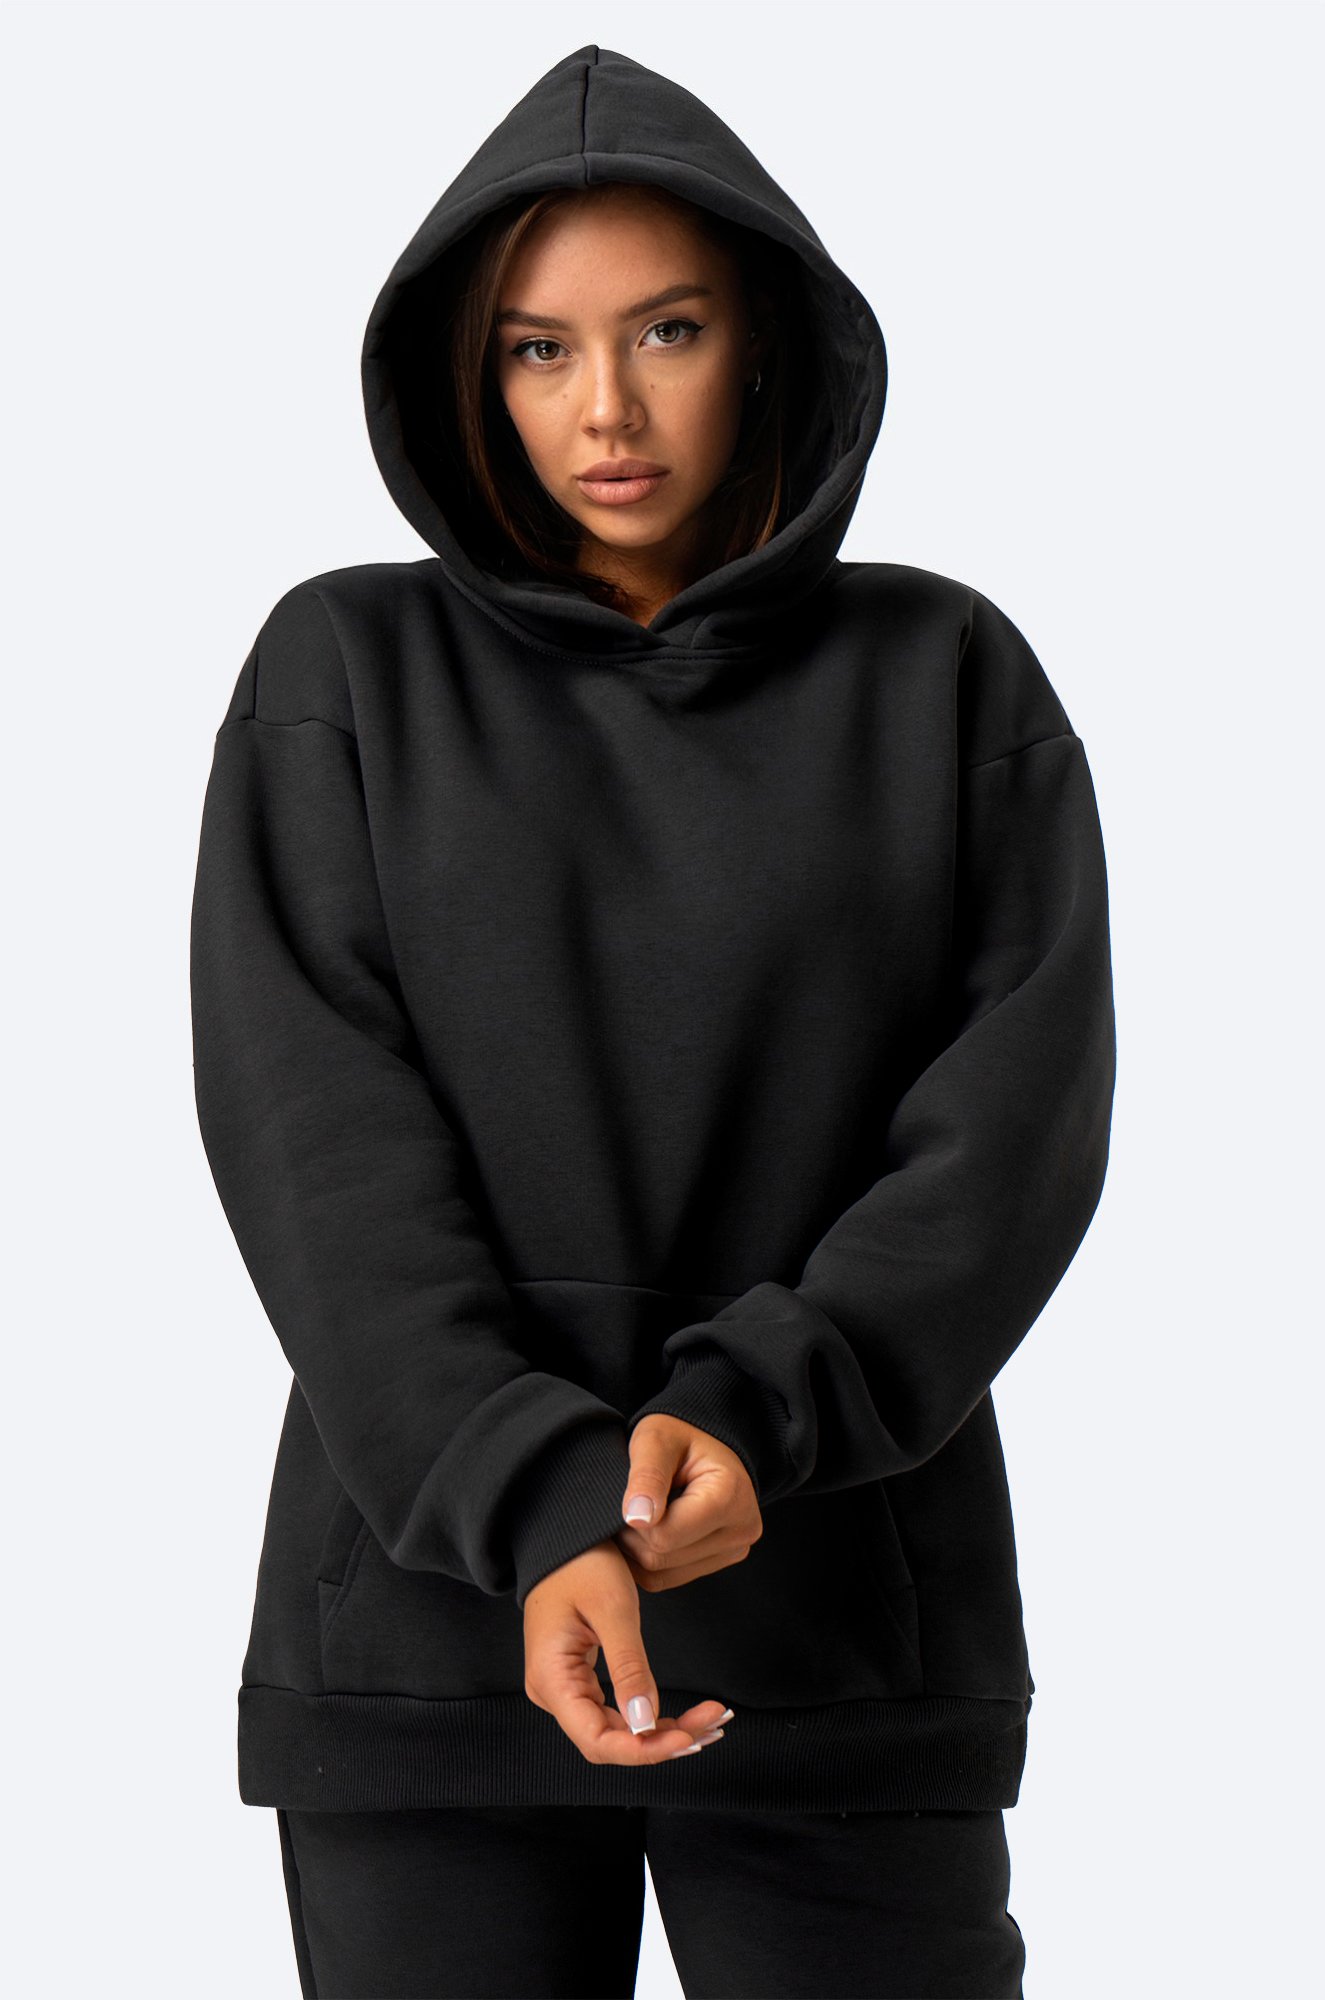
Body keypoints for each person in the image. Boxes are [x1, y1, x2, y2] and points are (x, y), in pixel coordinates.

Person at [189, 41, 1115, 2000]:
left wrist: (757, 1409)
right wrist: (536, 1495)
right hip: (436, 1628)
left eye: (665, 332)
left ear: (762, 341)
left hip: (838, 1629)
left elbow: (1007, 1135)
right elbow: (314, 1139)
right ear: (471, 373)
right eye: (538, 349)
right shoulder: (344, 666)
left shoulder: (944, 674)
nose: (604, 409)